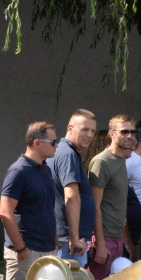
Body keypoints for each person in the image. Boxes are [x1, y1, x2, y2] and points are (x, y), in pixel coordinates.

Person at [0, 121, 58, 280]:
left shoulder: (45, 169)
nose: (56, 145)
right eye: (52, 141)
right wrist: (21, 248)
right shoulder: (19, 170)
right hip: (26, 250)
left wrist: (53, 240)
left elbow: (46, 207)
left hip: (46, 250)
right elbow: (5, 212)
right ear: (37, 142)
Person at [88, 114, 136, 280]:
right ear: (112, 134)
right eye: (124, 132)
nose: (129, 136)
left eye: (132, 132)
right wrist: (100, 243)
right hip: (103, 238)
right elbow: (95, 205)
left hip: (116, 238)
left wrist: (125, 240)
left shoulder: (121, 160)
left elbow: (117, 205)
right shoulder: (102, 161)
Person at [47, 109, 97, 266]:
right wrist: (74, 237)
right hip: (68, 242)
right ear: (70, 128)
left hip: (66, 239)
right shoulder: (68, 154)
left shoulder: (66, 152)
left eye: (92, 131)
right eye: (84, 130)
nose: (89, 135)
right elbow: (71, 196)